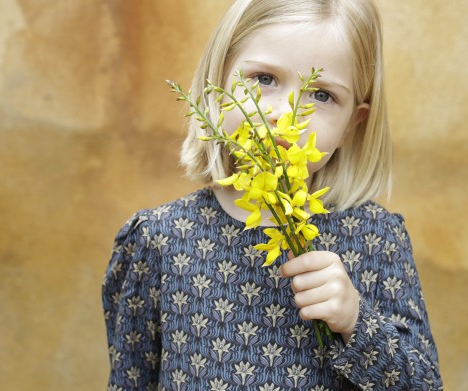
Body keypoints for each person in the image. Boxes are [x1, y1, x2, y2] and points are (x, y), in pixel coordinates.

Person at [102, 0, 443, 389]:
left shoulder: (377, 239)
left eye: (322, 95)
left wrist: (356, 321)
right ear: (218, 86)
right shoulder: (158, 240)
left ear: (352, 124)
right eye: (264, 79)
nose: (286, 113)